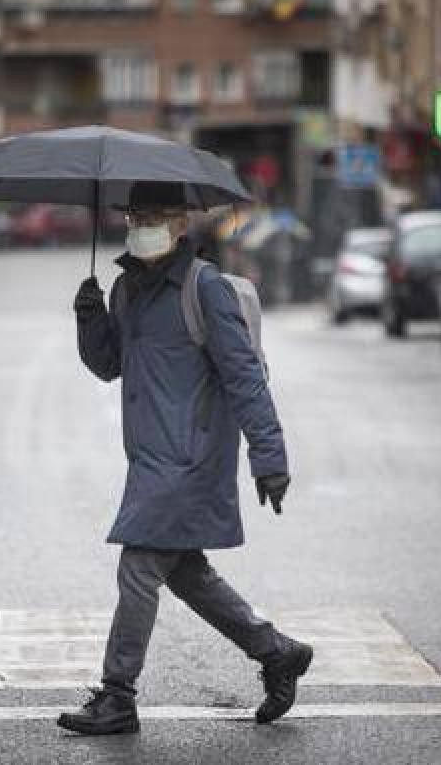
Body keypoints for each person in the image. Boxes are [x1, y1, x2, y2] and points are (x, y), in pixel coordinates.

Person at [61, 181, 312, 736]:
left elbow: (244, 376)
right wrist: (89, 317)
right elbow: (109, 365)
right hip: (151, 459)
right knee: (187, 574)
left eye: (152, 214)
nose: (139, 224)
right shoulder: (127, 289)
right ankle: (278, 653)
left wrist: (269, 457)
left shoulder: (205, 289)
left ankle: (117, 694)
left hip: (192, 461)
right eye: (133, 214)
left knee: (139, 567)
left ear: (181, 224)